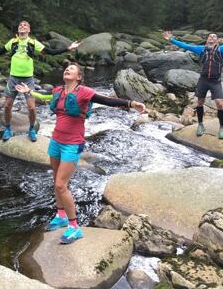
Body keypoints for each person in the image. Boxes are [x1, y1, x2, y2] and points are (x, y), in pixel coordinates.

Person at [16, 63, 146, 244]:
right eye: (66, 68)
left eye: (71, 69)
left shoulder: (84, 92)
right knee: (56, 182)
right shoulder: (58, 91)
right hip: (55, 142)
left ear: (79, 77)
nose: (67, 70)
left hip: (72, 144)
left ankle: (74, 227)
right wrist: (29, 91)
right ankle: (61, 215)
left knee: (61, 185)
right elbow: (45, 96)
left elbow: (106, 100)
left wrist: (131, 104)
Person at [0, 21, 81, 142]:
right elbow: (0, 51)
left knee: (31, 107)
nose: (22, 26)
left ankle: (31, 129)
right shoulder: (13, 42)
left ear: (29, 30)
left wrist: (68, 48)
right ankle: (8, 128)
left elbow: (50, 52)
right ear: (18, 29)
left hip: (28, 79)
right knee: (7, 106)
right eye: (21, 25)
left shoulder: (33, 43)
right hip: (13, 78)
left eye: (25, 25)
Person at [162, 31, 223, 139]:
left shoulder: (222, 49)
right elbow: (185, 45)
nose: (212, 37)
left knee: (220, 104)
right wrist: (171, 40)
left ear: (217, 40)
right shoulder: (200, 49)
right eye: (210, 36)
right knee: (200, 102)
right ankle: (200, 125)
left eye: (214, 36)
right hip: (203, 80)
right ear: (207, 39)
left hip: (215, 81)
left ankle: (222, 127)